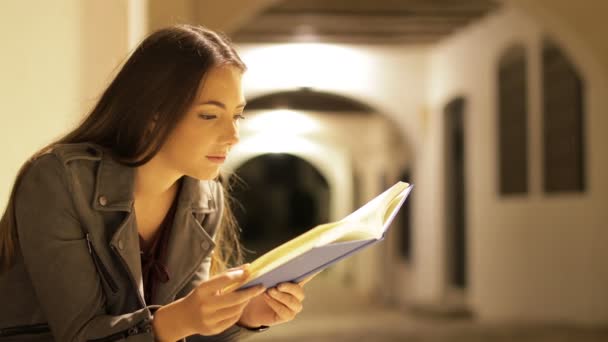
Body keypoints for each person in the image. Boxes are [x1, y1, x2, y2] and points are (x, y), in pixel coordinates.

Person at [0, 24, 311, 341]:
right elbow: (81, 333)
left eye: (237, 116)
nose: (233, 136)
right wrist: (179, 319)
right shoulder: (59, 180)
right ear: (154, 114)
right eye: (209, 116)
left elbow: (184, 331)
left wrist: (242, 315)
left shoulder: (205, 197)